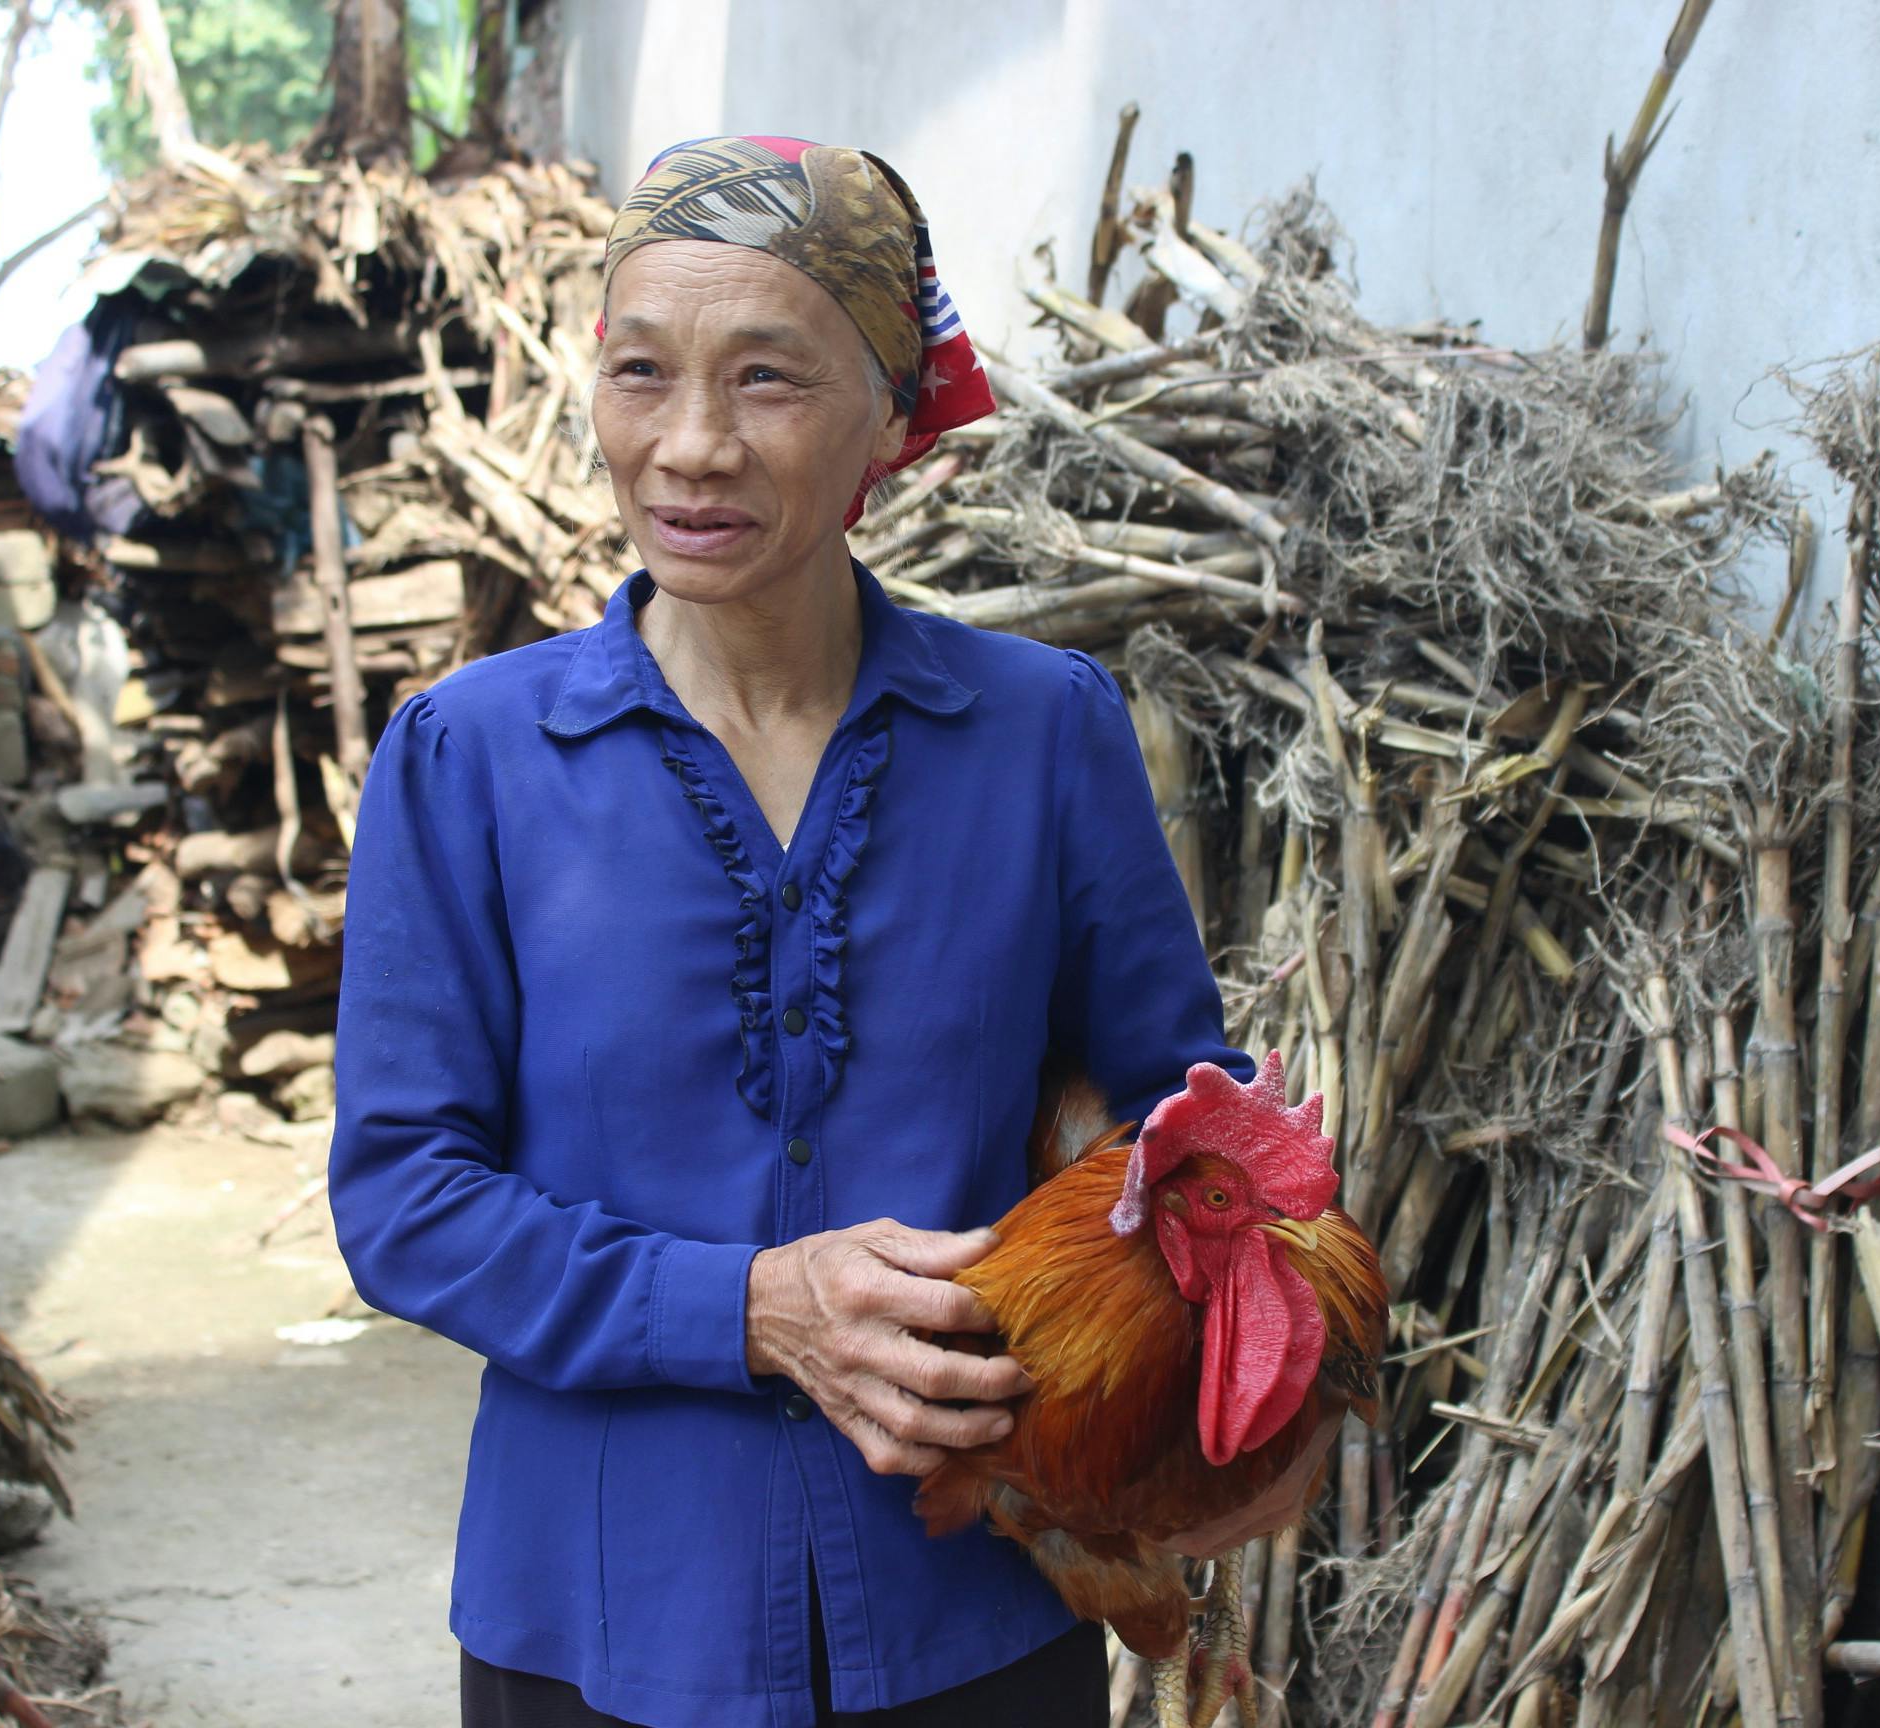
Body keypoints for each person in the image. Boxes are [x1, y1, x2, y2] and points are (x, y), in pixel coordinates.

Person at [329, 134, 1247, 1728]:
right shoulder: (468, 758)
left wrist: (1169, 1390)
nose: (690, 447)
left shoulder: (1041, 737)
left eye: (768, 379)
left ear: (893, 412)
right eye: (640, 372)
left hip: (974, 1607)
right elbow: (405, 1199)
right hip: (601, 1621)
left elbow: (1188, 1131)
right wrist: (753, 1307)